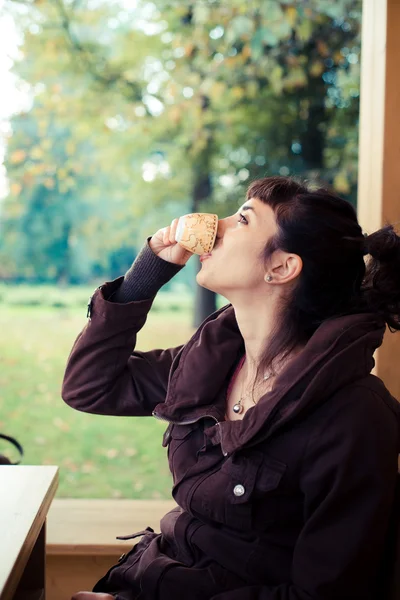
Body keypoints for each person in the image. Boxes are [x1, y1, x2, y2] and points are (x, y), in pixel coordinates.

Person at [63, 176, 400, 600]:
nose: (214, 225)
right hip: (143, 581)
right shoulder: (211, 364)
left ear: (281, 266)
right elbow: (89, 387)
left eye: (242, 219)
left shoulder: (355, 418)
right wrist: (145, 277)